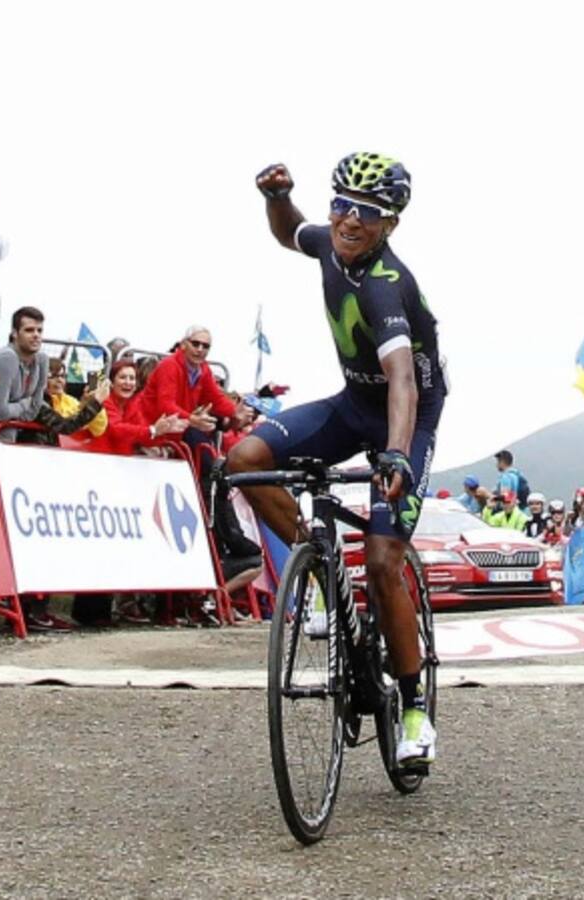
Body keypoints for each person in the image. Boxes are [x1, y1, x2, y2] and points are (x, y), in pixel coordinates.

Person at [231, 153, 444, 768]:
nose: (349, 221)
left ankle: (411, 711)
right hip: (353, 404)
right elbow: (290, 231)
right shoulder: (330, 240)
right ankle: (323, 575)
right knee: (243, 458)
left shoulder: (386, 286)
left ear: (390, 225)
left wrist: (397, 456)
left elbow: (402, 379)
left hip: (406, 418)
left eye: (368, 213)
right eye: (342, 205)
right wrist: (276, 196)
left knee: (381, 562)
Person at [136, 326, 243, 450]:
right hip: (149, 430)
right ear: (183, 345)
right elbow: (165, 405)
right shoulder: (169, 365)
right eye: (195, 344)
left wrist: (235, 412)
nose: (200, 349)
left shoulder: (204, 370)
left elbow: (215, 399)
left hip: (173, 433)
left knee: (201, 447)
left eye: (205, 346)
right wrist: (193, 420)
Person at [0, 306, 48, 443]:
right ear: (14, 333)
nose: (36, 335)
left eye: (40, 330)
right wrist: (24, 405)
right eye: (29, 330)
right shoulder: (6, 358)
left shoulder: (42, 360)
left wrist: (17, 413)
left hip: (12, 430)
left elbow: (35, 408)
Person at [88, 358, 186, 456]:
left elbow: (143, 435)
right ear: (112, 382)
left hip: (123, 460)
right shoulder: (105, 400)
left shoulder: (132, 404)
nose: (128, 382)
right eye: (122, 377)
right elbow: (117, 429)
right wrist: (153, 430)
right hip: (99, 458)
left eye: (132, 378)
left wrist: (164, 431)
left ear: (136, 384)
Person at [45, 356, 109, 442]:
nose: (59, 380)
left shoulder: (70, 401)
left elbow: (98, 429)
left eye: (62, 376)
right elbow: (64, 424)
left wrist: (90, 403)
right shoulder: (38, 401)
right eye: (53, 376)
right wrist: (92, 404)